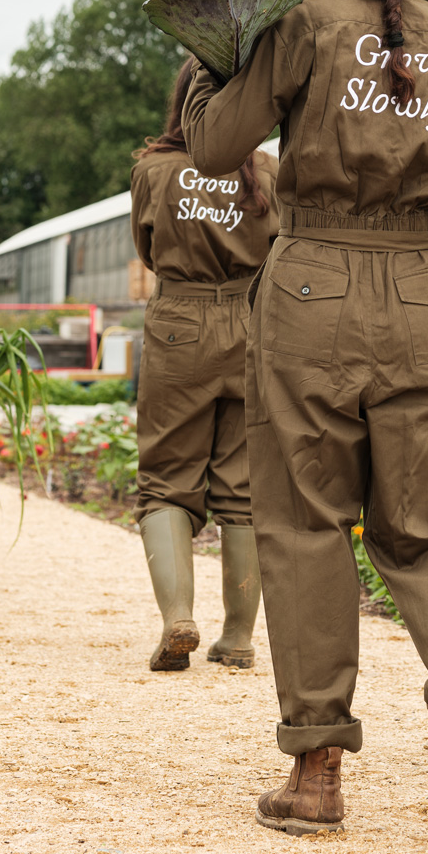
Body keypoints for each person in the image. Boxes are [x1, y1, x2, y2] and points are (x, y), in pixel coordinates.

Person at [183, 0, 428, 847]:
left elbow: (211, 147)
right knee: (426, 531)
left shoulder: (301, 32)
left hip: (311, 292)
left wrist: (217, 45)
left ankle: (316, 770)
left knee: (308, 526)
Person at [131, 56, 279, 672]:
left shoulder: (153, 170)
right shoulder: (268, 171)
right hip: (250, 321)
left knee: (166, 476)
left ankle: (178, 619)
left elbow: (146, 245)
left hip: (179, 323)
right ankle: (239, 638)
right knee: (244, 485)